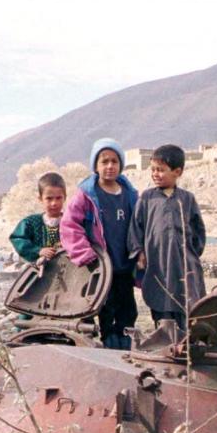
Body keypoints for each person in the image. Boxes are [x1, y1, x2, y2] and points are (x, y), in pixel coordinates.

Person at [60, 138, 140, 349]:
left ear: (121, 165)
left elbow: (141, 224)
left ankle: (126, 344)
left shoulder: (130, 195)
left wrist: (141, 251)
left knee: (128, 307)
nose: (109, 166)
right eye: (104, 161)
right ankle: (109, 344)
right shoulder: (86, 195)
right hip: (102, 267)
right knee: (106, 308)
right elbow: (69, 225)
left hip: (125, 264)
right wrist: (85, 254)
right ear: (95, 165)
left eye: (114, 161)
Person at [128, 144, 206, 335]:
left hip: (184, 266)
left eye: (161, 170)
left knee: (188, 307)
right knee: (162, 306)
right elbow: (135, 229)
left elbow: (198, 232)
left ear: (177, 172)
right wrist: (139, 252)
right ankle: (164, 343)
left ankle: (187, 347)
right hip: (158, 265)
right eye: (153, 169)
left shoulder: (187, 199)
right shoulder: (147, 198)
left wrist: (190, 255)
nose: (155, 174)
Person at [9, 172, 66, 263]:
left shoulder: (71, 222)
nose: (54, 203)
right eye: (49, 198)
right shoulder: (30, 223)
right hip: (39, 271)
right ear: (40, 199)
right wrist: (38, 251)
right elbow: (17, 238)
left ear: (65, 197)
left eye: (58, 198)